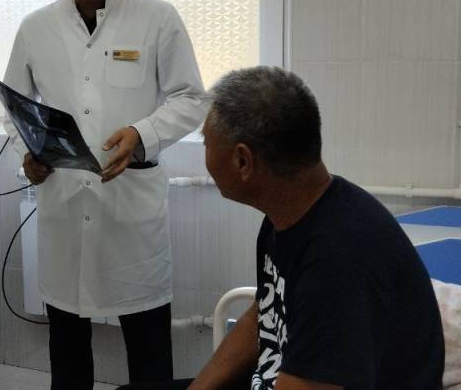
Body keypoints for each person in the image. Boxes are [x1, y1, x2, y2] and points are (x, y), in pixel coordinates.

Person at [2, 0, 207, 389]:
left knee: (149, 349)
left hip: (131, 210)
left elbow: (192, 98)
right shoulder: (36, 28)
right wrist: (27, 155)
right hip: (64, 208)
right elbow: (13, 107)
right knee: (68, 348)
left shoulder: (157, 19)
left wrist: (142, 133)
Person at [180, 66, 443, 390]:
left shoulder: (338, 259)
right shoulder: (288, 212)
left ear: (243, 161)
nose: (205, 153)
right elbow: (264, 314)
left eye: (206, 143)